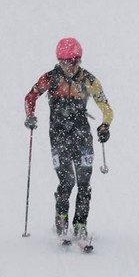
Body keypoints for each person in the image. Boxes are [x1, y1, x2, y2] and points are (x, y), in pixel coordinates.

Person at [23, 37, 113, 243]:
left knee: (84, 182)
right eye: (67, 61)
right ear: (59, 60)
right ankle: (61, 219)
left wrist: (105, 125)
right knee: (67, 181)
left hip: (82, 135)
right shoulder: (50, 78)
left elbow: (106, 106)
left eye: (76, 61)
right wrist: (30, 116)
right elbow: (31, 96)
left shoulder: (89, 80)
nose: (71, 66)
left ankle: (80, 223)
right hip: (58, 135)